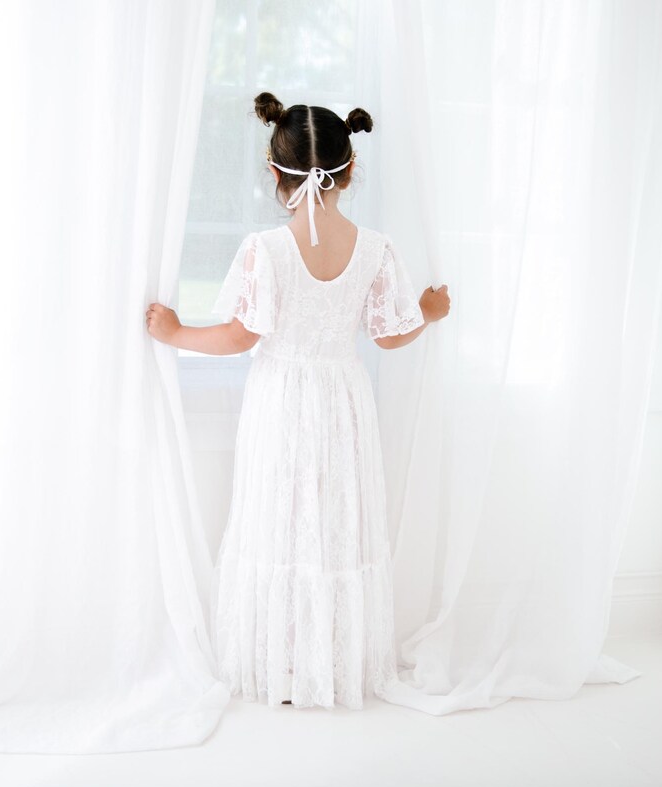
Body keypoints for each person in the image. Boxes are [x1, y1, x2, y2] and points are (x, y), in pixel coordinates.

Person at [145, 91, 450, 709]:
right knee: (333, 522)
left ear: (274, 171)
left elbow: (241, 335)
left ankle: (281, 661)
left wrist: (175, 334)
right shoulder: (375, 248)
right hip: (343, 400)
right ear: (350, 170)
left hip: (282, 399)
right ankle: (330, 661)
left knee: (280, 518)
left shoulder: (267, 249)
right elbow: (388, 336)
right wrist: (428, 311)